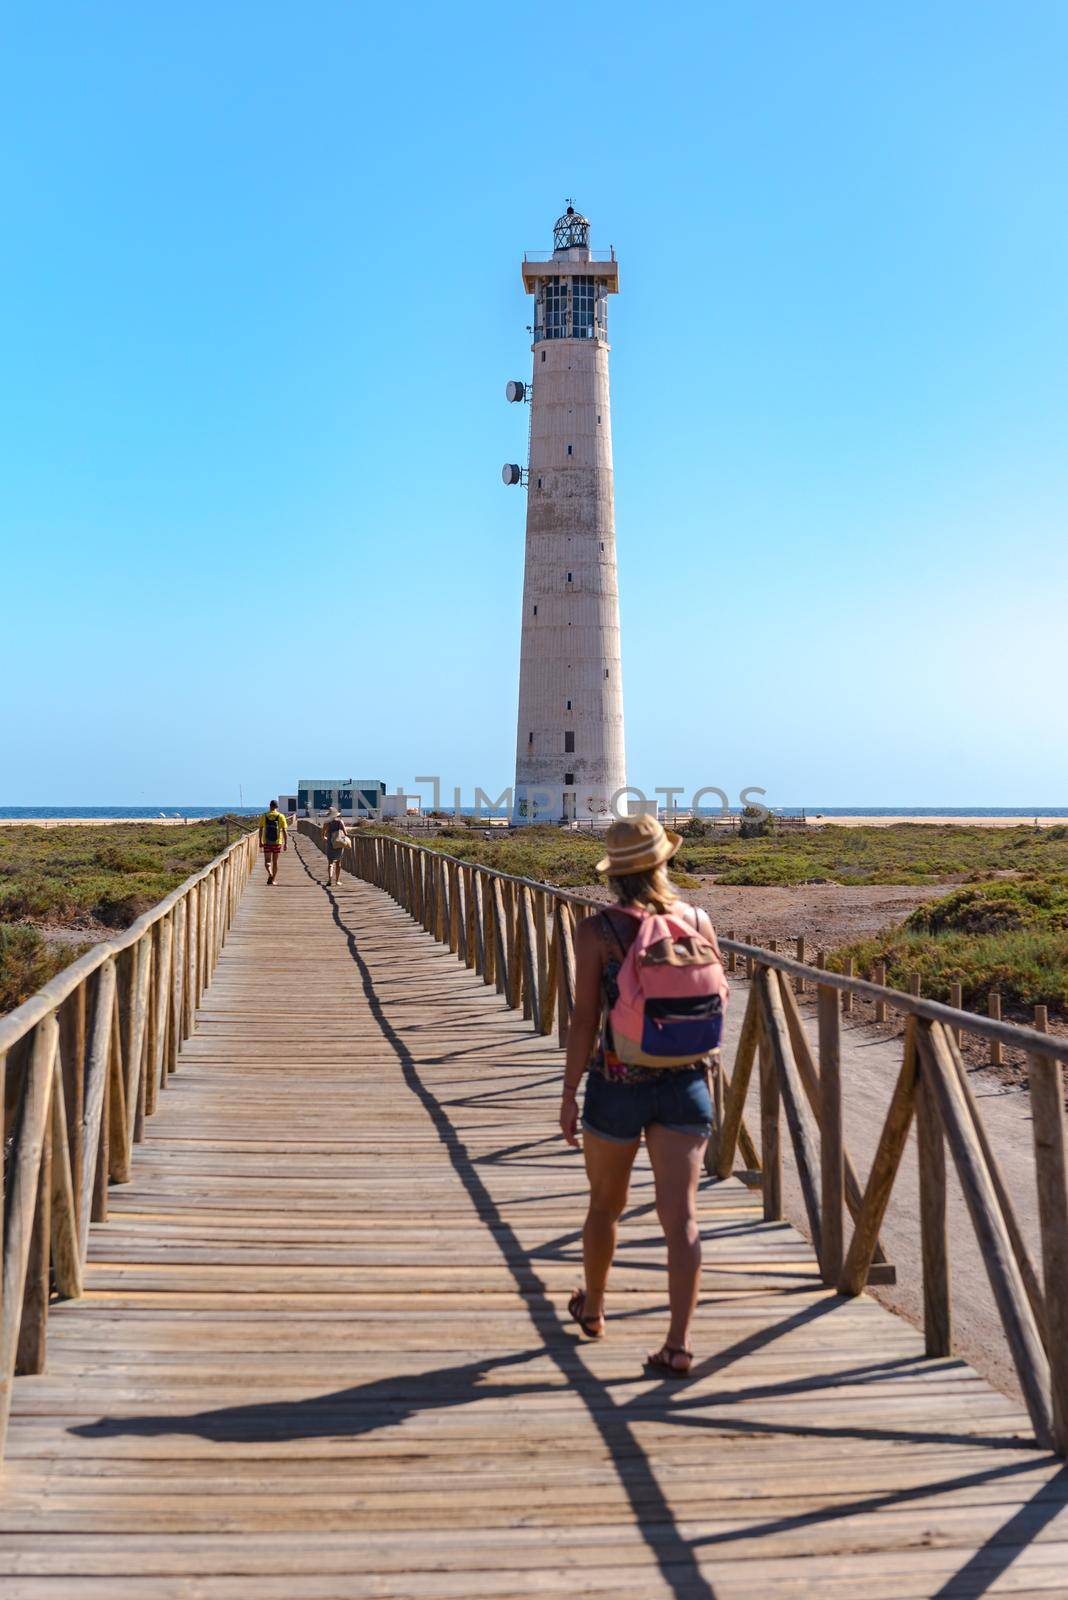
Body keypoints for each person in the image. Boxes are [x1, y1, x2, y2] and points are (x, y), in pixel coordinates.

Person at [559, 813, 728, 1377]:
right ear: (664, 862)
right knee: (681, 1219)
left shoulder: (598, 931)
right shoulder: (698, 918)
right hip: (686, 1080)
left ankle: (597, 1306)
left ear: (614, 873)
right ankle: (679, 1344)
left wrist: (567, 1093)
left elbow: (584, 1020)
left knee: (605, 1206)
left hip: (617, 1081)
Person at [259, 800, 288, 885]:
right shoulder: (281, 816)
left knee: (267, 861)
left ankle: (270, 873)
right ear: (277, 807)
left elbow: (261, 829)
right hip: (277, 842)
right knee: (275, 862)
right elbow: (284, 830)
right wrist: (285, 843)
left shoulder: (264, 816)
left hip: (267, 842)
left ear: (270, 806)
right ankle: (273, 880)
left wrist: (260, 841)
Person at [322, 807, 349, 886]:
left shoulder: (326, 822)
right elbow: (346, 833)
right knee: (338, 862)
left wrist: (325, 837)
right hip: (339, 843)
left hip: (330, 843)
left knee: (330, 862)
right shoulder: (340, 822)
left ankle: (330, 879)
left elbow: (322, 834)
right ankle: (337, 881)